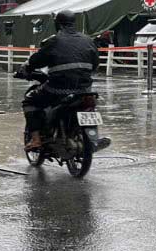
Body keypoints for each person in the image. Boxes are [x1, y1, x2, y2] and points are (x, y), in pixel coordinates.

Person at [19, 10, 101, 151]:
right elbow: (95, 64)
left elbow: (36, 61)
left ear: (57, 24)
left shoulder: (54, 41)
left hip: (59, 89)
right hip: (84, 89)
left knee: (29, 101)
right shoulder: (88, 40)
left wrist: (25, 69)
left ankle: (36, 139)